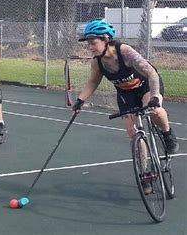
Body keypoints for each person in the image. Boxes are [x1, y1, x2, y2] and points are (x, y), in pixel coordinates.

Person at [73, 19, 179, 191]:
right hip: (125, 94)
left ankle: (168, 135)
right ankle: (145, 175)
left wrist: (154, 97)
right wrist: (80, 100)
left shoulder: (125, 52)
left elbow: (151, 73)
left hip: (147, 85)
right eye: (88, 44)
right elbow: (93, 82)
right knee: (133, 133)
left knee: (155, 112)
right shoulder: (97, 62)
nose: (90, 47)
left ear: (106, 39)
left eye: (93, 43)